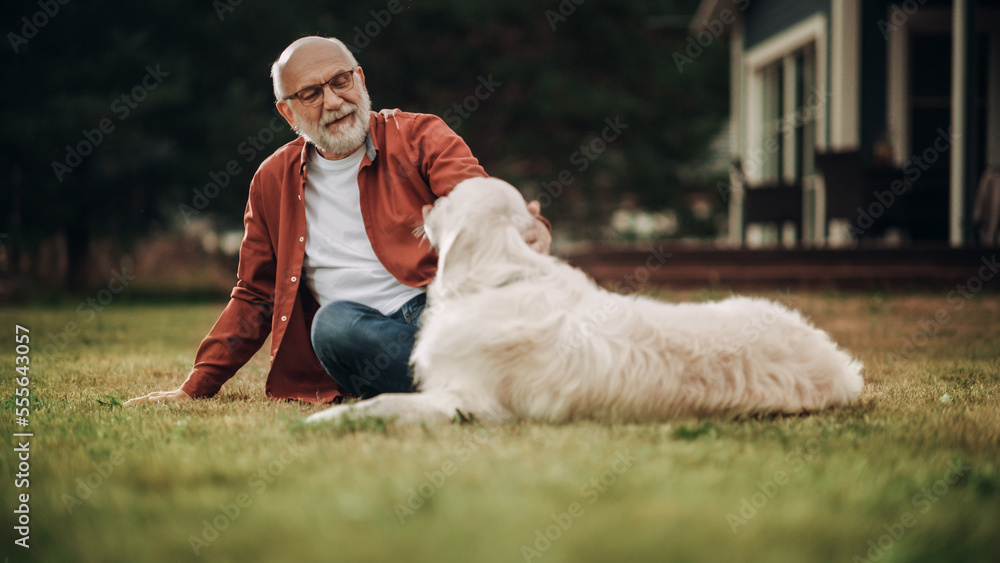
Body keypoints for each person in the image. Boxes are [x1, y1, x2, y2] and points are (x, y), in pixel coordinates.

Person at [125, 36, 550, 406]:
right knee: (333, 326)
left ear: (360, 80)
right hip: (358, 335)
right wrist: (195, 386)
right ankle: (493, 383)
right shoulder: (271, 180)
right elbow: (255, 295)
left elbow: (479, 200)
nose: (333, 101)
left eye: (340, 82)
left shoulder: (421, 136)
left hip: (441, 310)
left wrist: (532, 231)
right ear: (288, 114)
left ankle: (471, 383)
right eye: (310, 94)